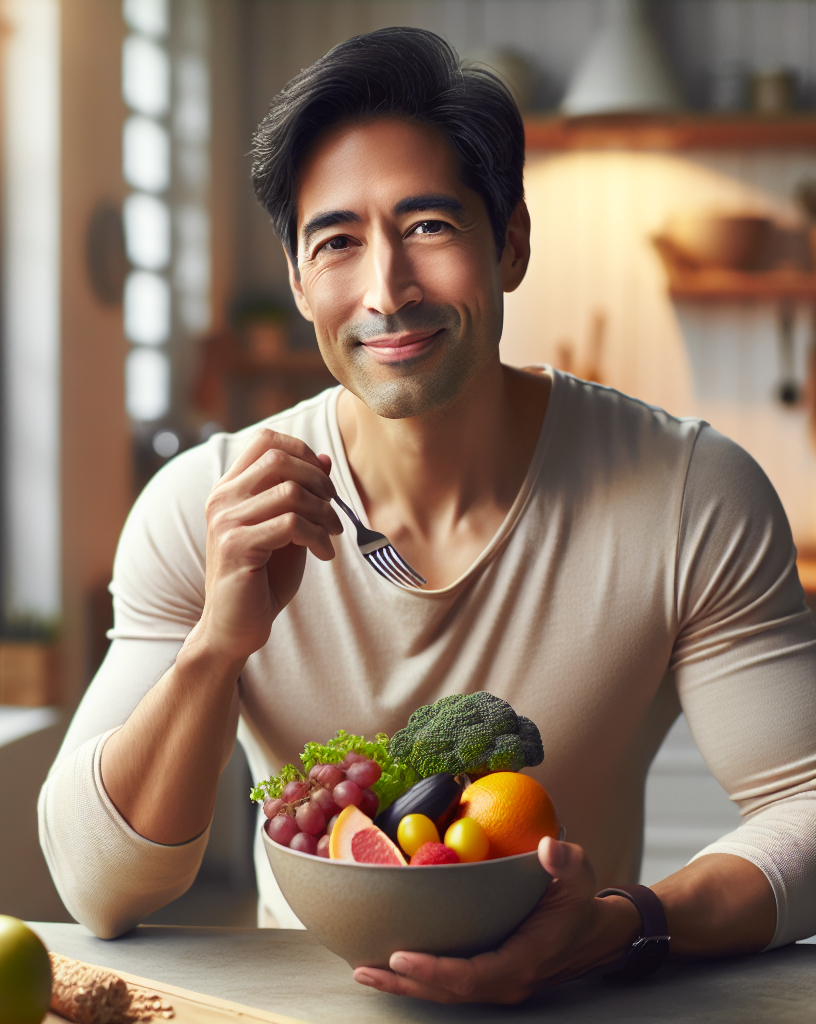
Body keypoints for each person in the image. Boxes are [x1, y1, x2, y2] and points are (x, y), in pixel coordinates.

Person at [39, 27, 816, 1004]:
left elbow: (808, 805)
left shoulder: (689, 491)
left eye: (429, 227)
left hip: (573, 1000)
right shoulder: (206, 505)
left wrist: (622, 924)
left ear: (513, 242)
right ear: (296, 280)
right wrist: (215, 646)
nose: (386, 292)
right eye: (337, 243)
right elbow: (97, 887)